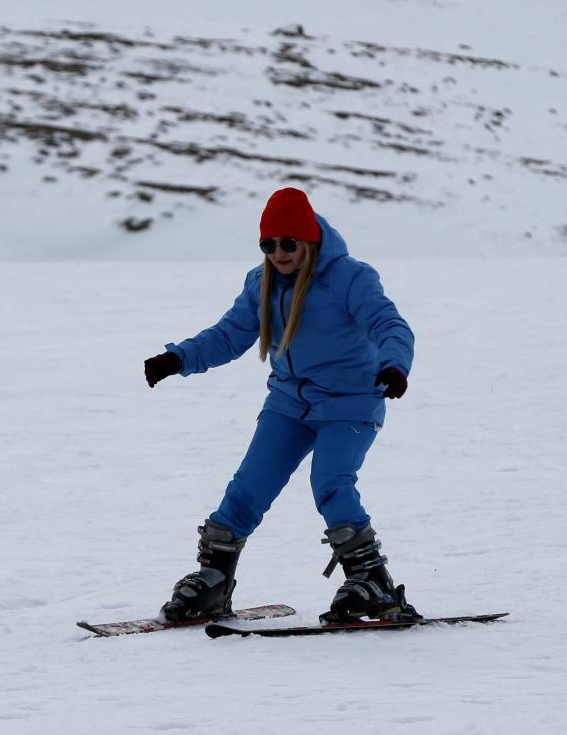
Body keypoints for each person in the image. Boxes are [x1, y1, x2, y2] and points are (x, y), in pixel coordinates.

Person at [143, 187, 420, 625]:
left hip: (350, 402)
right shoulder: (261, 282)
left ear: (308, 240)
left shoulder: (350, 277)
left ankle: (372, 581)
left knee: (331, 482)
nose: (278, 252)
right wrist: (178, 358)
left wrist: (395, 365)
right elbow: (229, 334)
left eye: (288, 242)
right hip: (289, 402)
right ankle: (214, 580)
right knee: (248, 486)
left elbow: (389, 324)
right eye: (268, 244)